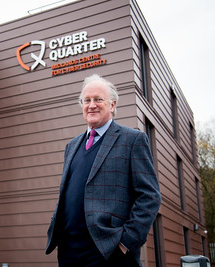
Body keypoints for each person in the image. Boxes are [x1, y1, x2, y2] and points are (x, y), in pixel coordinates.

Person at [46, 74, 161, 267]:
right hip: (69, 251)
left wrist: (126, 242)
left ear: (113, 105)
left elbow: (150, 196)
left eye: (98, 99)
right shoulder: (71, 146)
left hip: (109, 252)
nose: (92, 105)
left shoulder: (132, 140)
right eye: (87, 100)